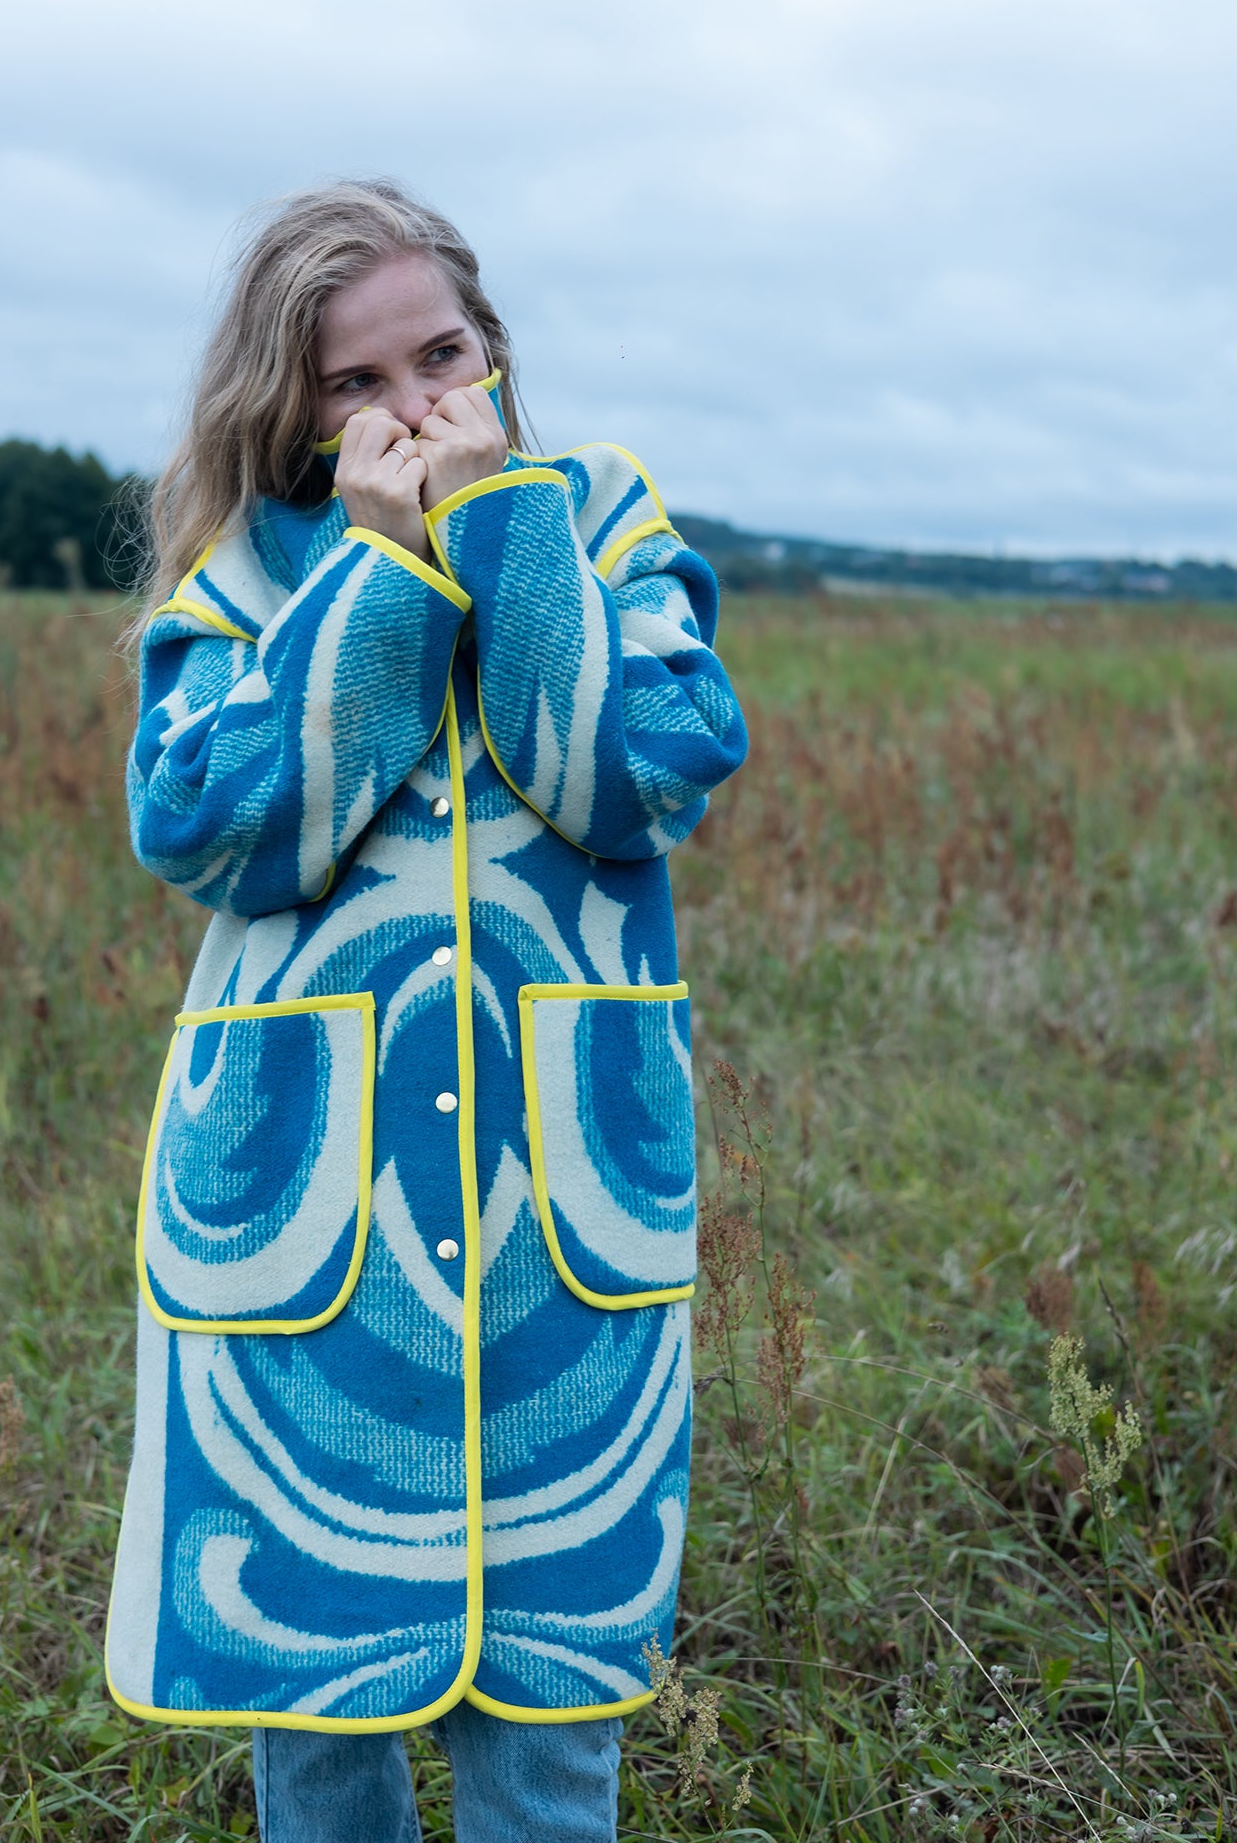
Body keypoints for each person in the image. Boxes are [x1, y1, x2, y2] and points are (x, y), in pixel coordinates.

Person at [104, 178, 748, 1842]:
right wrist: (384, 580)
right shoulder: (250, 570)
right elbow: (218, 832)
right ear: (293, 408)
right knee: (314, 1702)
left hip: (560, 1212)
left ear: (496, 350)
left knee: (552, 1715)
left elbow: (639, 782)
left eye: (443, 355)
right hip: (309, 1229)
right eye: (357, 382)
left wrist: (504, 535)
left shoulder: (602, 522)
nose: (416, 407)